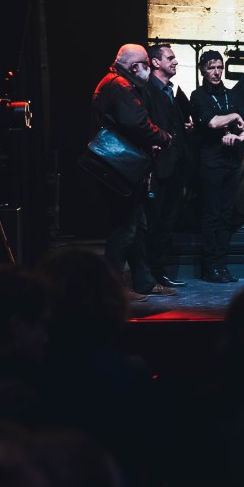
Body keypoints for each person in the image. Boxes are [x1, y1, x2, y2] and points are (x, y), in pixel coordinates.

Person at [91, 43, 174, 298]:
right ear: (134, 66)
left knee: (137, 226)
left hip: (122, 166)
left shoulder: (115, 82)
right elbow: (136, 122)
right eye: (146, 65)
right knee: (125, 229)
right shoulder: (120, 85)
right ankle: (112, 289)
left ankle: (144, 282)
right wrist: (163, 136)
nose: (148, 70)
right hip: (119, 166)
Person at [189, 50, 244, 283]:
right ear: (203, 70)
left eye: (219, 67)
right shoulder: (198, 95)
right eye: (211, 68)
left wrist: (241, 137)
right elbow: (212, 121)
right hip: (210, 162)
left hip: (230, 162)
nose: (216, 72)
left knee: (227, 216)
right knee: (212, 216)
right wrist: (234, 116)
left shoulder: (231, 94)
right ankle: (210, 267)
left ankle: (221, 264)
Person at [144, 42, 194, 289]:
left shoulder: (169, 90)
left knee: (166, 223)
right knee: (152, 224)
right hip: (156, 169)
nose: (175, 61)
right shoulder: (147, 90)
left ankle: (158, 273)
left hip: (174, 168)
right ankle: (150, 276)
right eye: (170, 58)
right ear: (155, 62)